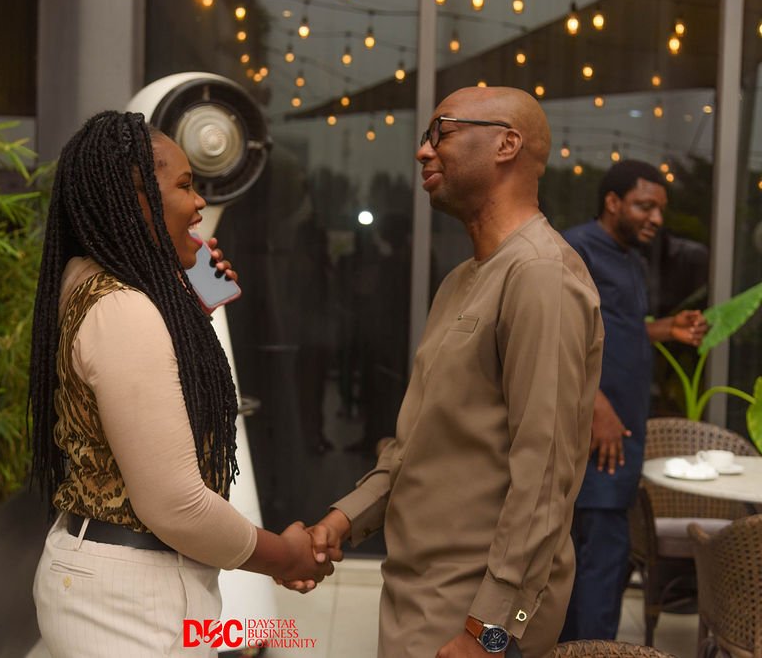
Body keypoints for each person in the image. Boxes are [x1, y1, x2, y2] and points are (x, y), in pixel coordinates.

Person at [288, 86, 605, 657]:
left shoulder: (541, 275)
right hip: (419, 590)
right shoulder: (462, 280)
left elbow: (545, 478)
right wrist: (343, 519)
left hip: (474, 605)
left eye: (443, 132)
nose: (423, 150)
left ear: (507, 145)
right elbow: (418, 444)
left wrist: (490, 631)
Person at [27, 111, 333, 657]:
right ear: (135, 200)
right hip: (130, 602)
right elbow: (177, 506)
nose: (199, 204)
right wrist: (282, 557)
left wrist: (190, 306)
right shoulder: (124, 310)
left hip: (114, 582)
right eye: (186, 186)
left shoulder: (87, 277)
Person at [559, 160, 707, 641]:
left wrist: (666, 329)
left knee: (603, 559)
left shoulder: (633, 257)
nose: (657, 219)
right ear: (612, 202)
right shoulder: (576, 249)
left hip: (622, 434)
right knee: (599, 558)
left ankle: (578, 648)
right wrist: (596, 406)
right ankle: (586, 651)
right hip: (596, 434)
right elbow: (558, 338)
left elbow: (617, 329)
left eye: (660, 209)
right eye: (645, 206)